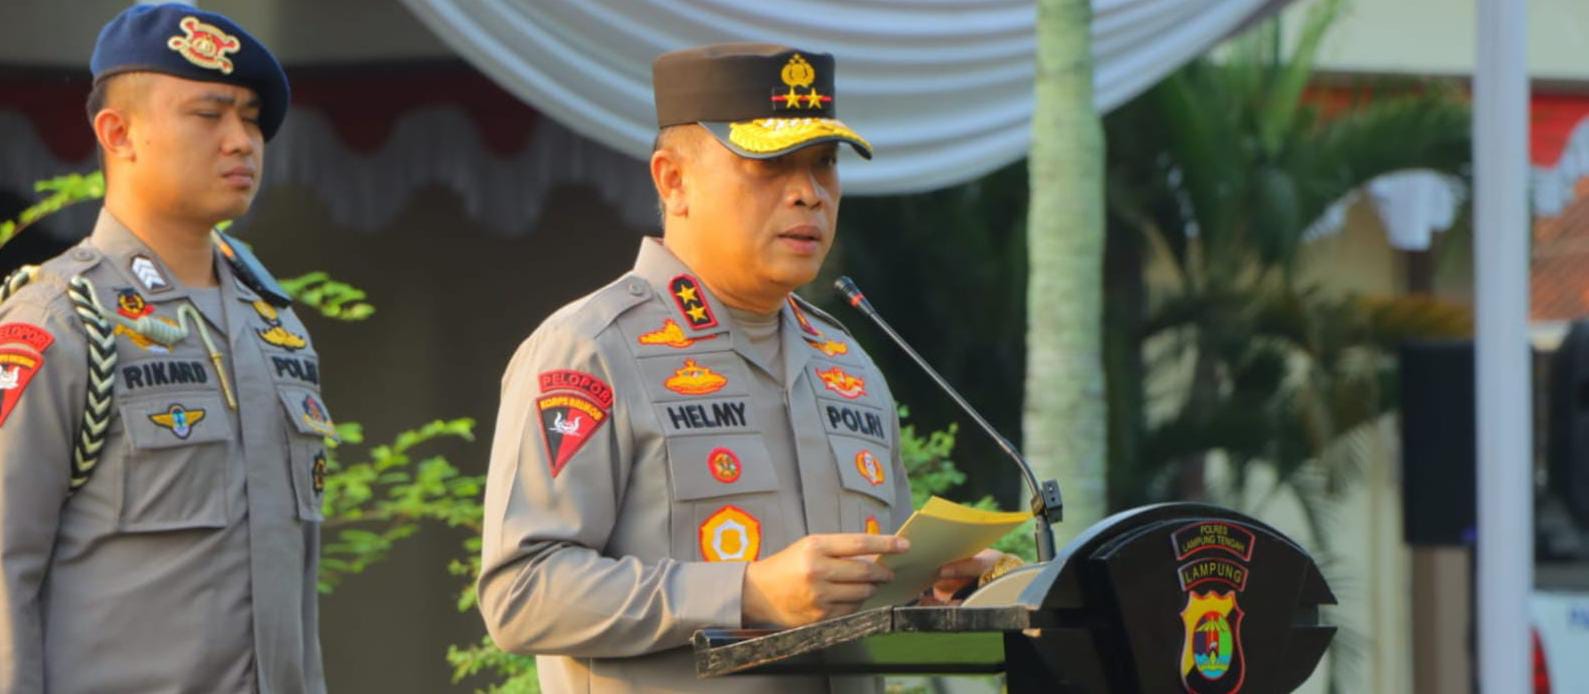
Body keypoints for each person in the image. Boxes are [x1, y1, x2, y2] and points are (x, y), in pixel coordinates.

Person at [477, 43, 1001, 692]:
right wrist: (746, 591)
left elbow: (866, 596)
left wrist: (934, 589)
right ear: (673, 181)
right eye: (771, 165)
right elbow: (521, 592)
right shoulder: (591, 349)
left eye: (824, 164)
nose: (808, 194)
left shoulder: (847, 363)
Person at [0, 5, 328, 692]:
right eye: (209, 115)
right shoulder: (61, 321)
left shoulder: (274, 326)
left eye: (251, 119)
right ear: (118, 133)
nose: (241, 141)